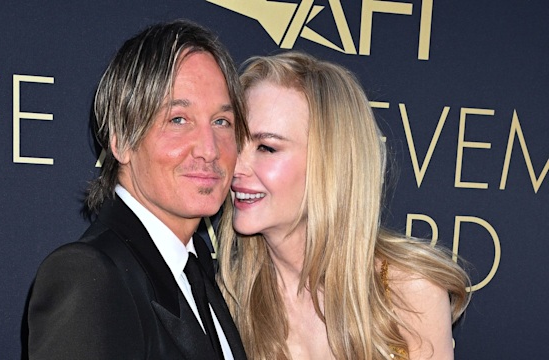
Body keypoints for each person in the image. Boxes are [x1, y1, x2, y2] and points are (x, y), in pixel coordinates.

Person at [217, 52, 471, 360]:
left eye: (266, 147)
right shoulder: (227, 300)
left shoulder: (408, 291)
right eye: (234, 142)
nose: (235, 166)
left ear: (331, 164)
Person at [25, 20, 249, 360]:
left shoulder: (199, 268)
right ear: (122, 140)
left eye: (221, 122)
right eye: (178, 120)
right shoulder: (90, 278)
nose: (209, 148)